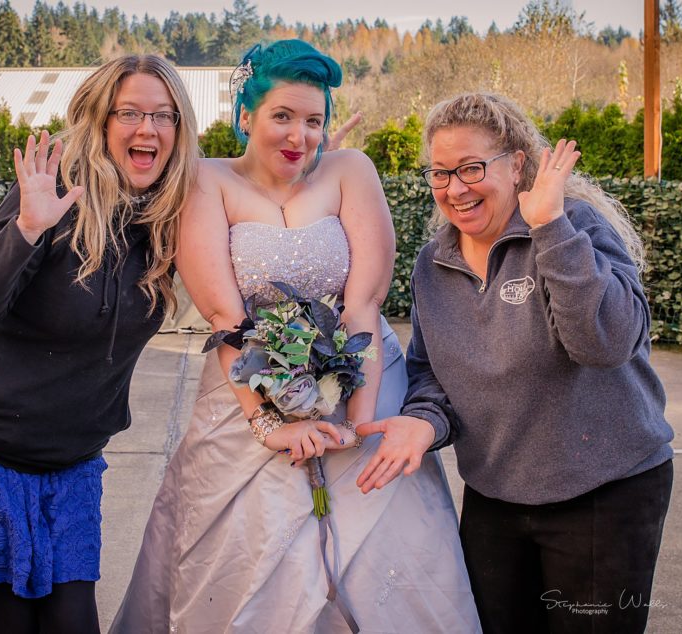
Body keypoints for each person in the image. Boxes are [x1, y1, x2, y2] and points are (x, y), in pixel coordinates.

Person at [110, 40, 481, 633]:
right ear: (246, 116)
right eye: (283, 116)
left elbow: (362, 303)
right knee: (249, 561)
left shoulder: (350, 170)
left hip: (364, 379)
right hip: (244, 393)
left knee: (385, 549)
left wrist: (354, 425)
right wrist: (270, 423)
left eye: (314, 121)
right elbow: (225, 316)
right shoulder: (204, 180)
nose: (300, 136)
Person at [0, 55, 199, 634]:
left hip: (68, 458)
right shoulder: (53, 194)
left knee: (74, 623)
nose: (148, 129)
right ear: (101, 121)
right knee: (13, 626)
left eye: (163, 115)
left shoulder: (175, 212)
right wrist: (26, 229)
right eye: (130, 113)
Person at [356, 92, 675, 633]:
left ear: (517, 164)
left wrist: (549, 226)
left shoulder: (575, 226)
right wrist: (422, 421)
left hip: (604, 492)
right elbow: (431, 370)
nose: (455, 188)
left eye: (471, 168)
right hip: (496, 496)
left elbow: (605, 343)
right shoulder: (434, 263)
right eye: (440, 173)